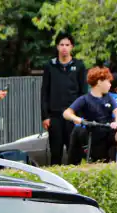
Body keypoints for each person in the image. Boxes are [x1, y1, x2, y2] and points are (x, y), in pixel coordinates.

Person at [63, 67, 117, 163]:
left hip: (107, 131)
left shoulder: (109, 97)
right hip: (92, 133)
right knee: (77, 133)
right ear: (99, 82)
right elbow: (66, 113)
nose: (110, 85)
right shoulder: (84, 99)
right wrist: (76, 118)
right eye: (108, 82)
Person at [40, 33, 88, 165]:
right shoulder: (50, 66)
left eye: (67, 45)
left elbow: (83, 92)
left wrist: (81, 116)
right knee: (55, 152)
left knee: (74, 151)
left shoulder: (79, 66)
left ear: (72, 47)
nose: (64, 48)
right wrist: (45, 116)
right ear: (57, 47)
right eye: (61, 45)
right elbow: (45, 92)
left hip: (73, 115)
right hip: (55, 115)